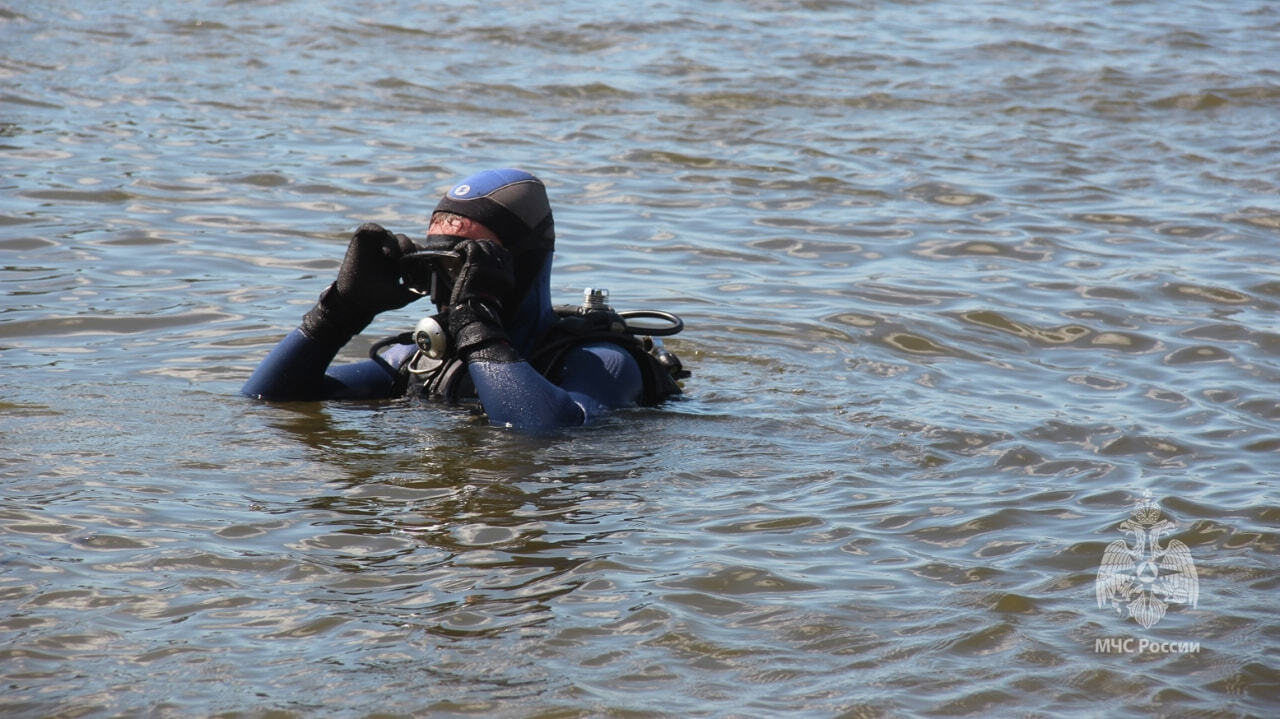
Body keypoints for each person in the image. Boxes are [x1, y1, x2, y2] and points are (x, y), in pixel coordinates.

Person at [242, 168, 687, 431]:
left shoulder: (598, 361)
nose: (448, 286)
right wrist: (337, 313)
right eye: (436, 264)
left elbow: (542, 430)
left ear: (522, 264)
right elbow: (270, 398)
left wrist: (478, 327)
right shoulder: (421, 360)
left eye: (467, 265)